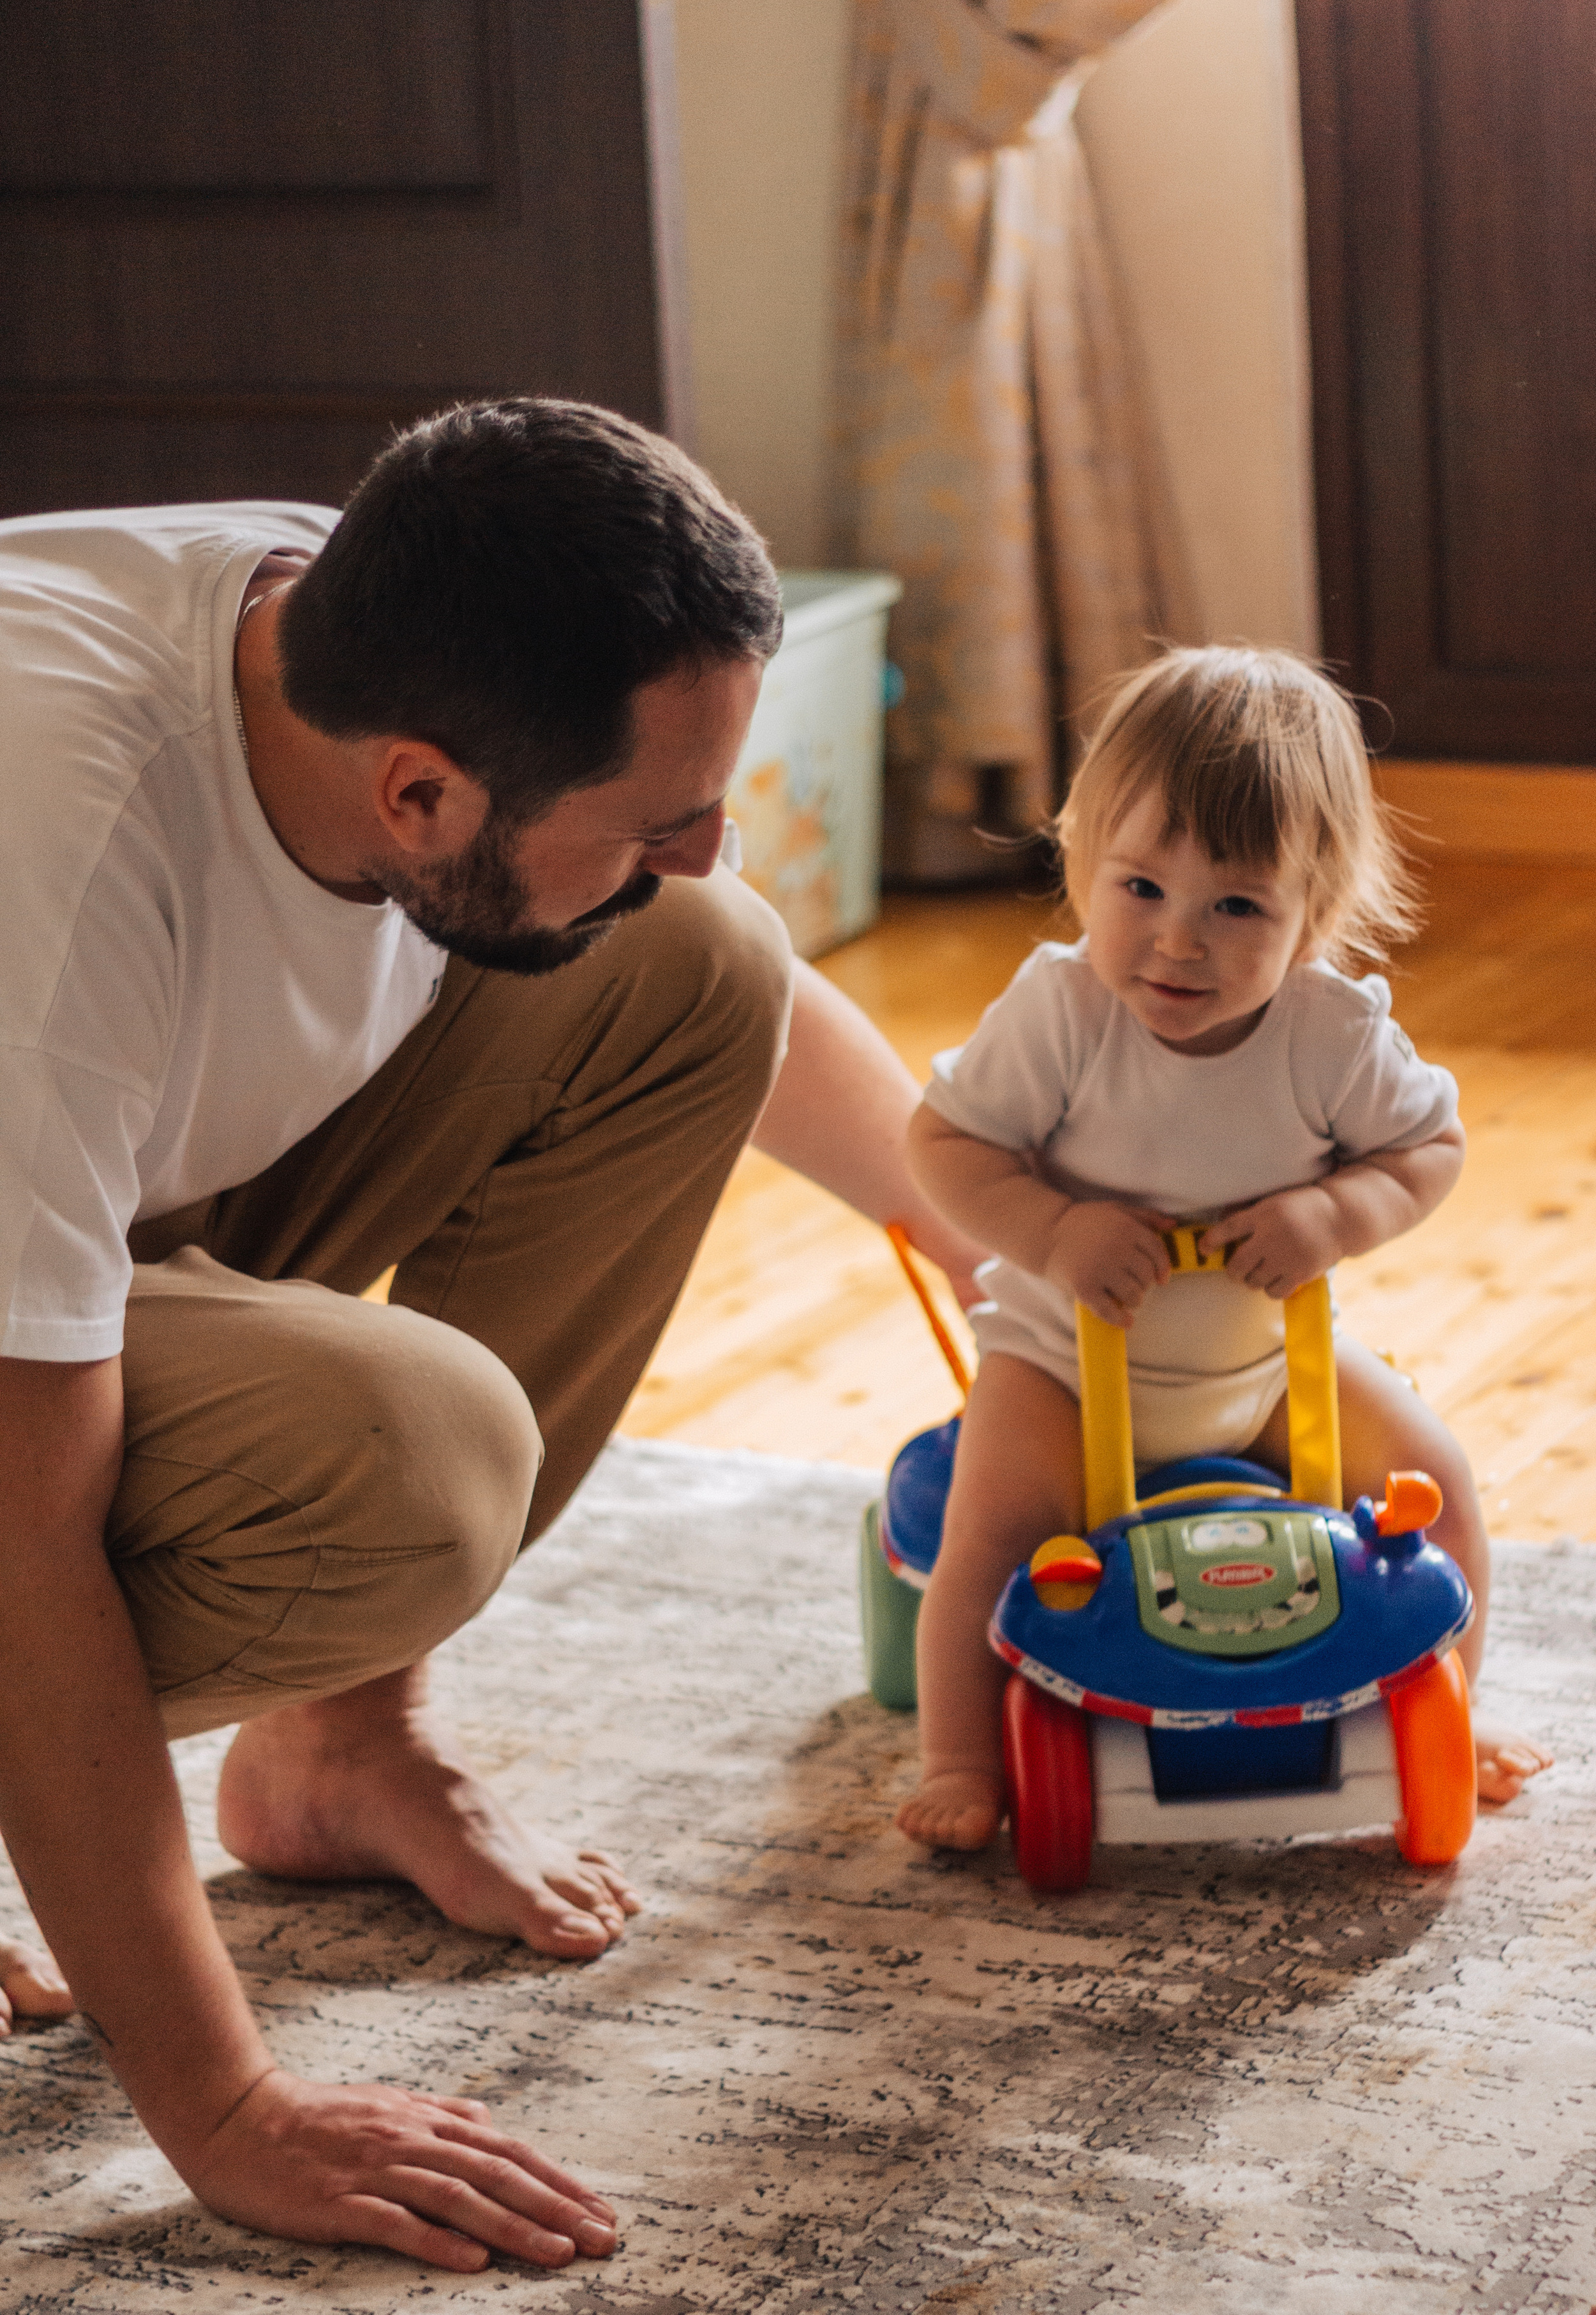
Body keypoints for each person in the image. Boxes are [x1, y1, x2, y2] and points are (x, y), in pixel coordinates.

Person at [0, 400, 982, 2274]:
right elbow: (20, 1533)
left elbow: (717, 959)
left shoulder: (365, 631)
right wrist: (225, 2109)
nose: (697, 851)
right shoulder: (48, 880)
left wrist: (995, 1234)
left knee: (702, 975)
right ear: (423, 798)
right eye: (655, 819)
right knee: (402, 1463)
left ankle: (341, 1747)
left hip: (89, 1193)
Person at [894, 643, 1553, 1856]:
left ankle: (1457, 1690)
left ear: (1317, 912)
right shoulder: (1062, 1012)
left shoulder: (1331, 1031)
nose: (1176, 944)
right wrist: (1052, 1228)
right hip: (1060, 1365)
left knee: (1444, 1486)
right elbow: (942, 1143)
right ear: (1084, 859)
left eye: (1235, 906)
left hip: (1266, 1377)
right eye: (1139, 888)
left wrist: (1335, 1217)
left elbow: (1430, 1147)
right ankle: (960, 1754)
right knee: (984, 1542)